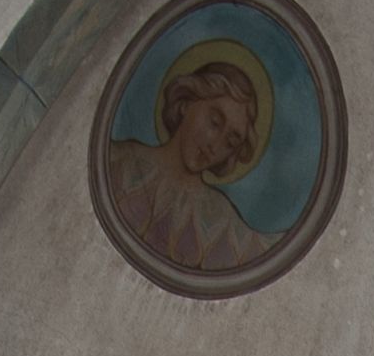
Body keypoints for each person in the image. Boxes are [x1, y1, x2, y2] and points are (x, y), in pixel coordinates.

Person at [106, 50, 270, 279]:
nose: (215, 144)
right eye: (215, 122)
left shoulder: (222, 220)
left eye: (230, 142)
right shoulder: (118, 161)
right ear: (186, 103)